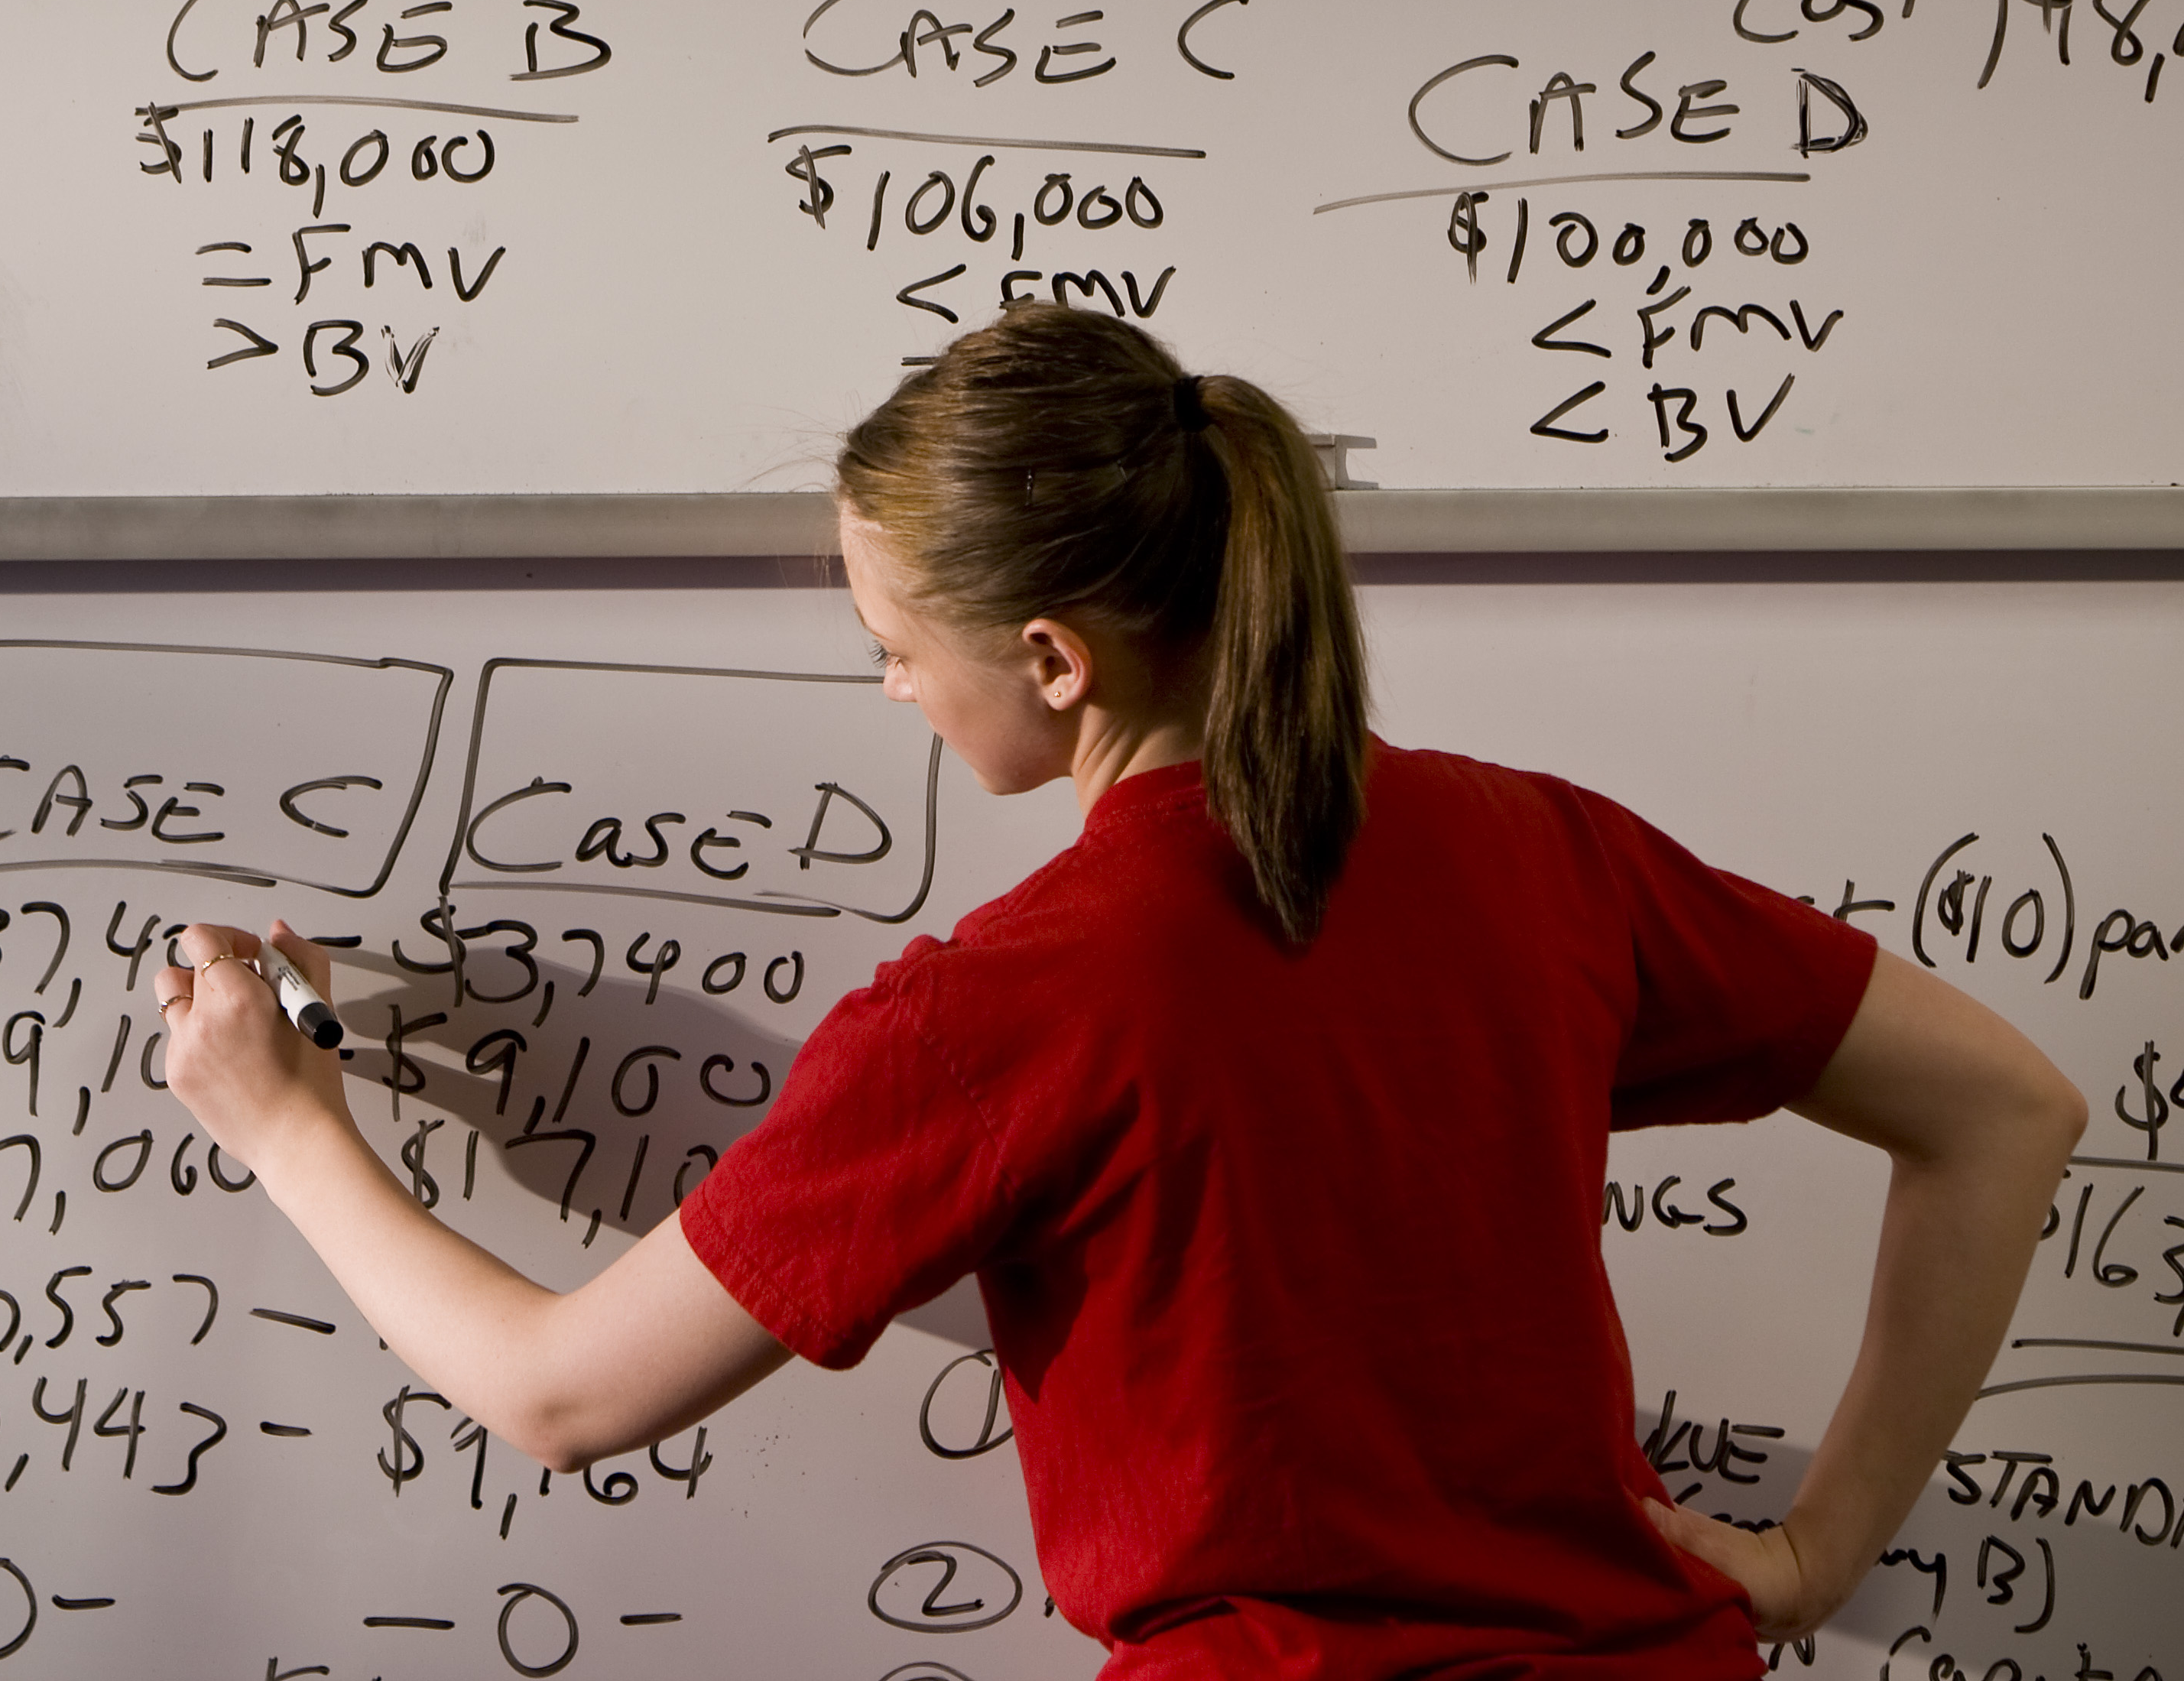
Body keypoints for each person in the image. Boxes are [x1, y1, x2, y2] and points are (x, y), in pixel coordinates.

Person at [156, 304, 2085, 1679]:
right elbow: (2012, 1106)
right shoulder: (1537, 852)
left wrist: (286, 1121)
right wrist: (1819, 1556)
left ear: (1057, 659)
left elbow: (560, 1396)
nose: (888, 690)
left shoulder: (1000, 1008)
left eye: (895, 644)